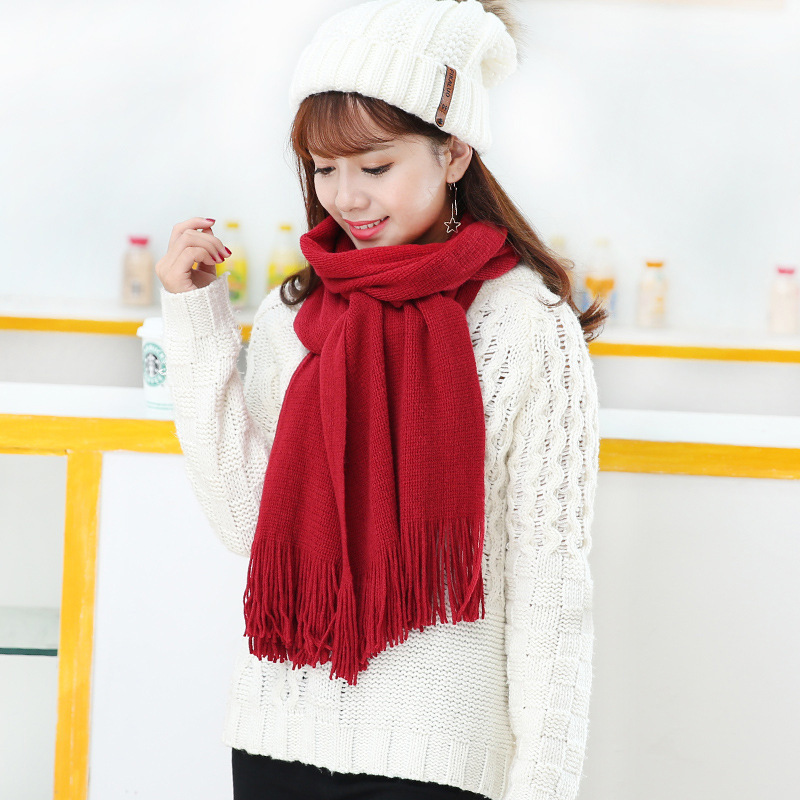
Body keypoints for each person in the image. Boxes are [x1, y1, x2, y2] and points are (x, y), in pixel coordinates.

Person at [156, 1, 607, 798]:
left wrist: (544, 785)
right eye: (324, 169)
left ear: (454, 153)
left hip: (433, 761)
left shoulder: (523, 322)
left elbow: (550, 587)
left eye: (374, 167)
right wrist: (196, 318)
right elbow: (244, 521)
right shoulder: (296, 313)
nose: (347, 199)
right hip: (275, 741)